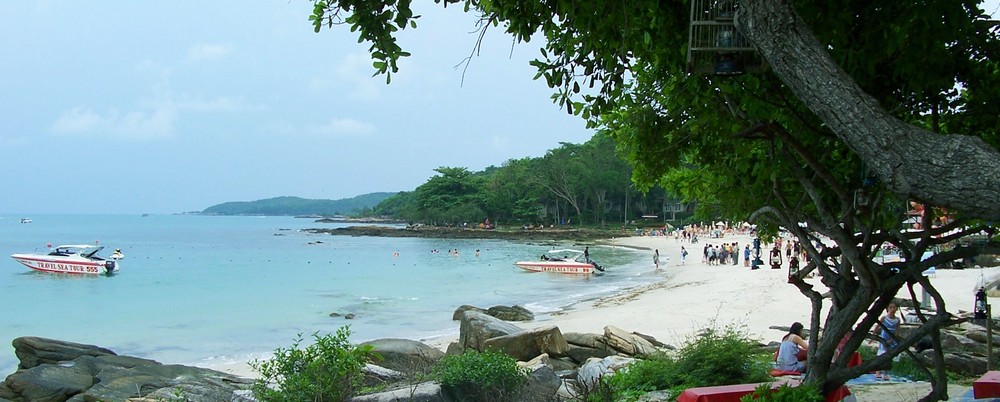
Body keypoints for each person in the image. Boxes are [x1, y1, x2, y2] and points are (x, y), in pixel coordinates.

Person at [871, 302, 900, 381]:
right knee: (881, 354)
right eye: (891, 308)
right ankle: (878, 371)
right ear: (888, 309)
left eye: (894, 308)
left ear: (896, 309)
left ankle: (886, 373)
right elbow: (877, 327)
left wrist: (892, 339)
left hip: (892, 337)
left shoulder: (897, 320)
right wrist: (873, 337)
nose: (892, 309)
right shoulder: (884, 318)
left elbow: (897, 331)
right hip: (884, 336)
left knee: (889, 356)